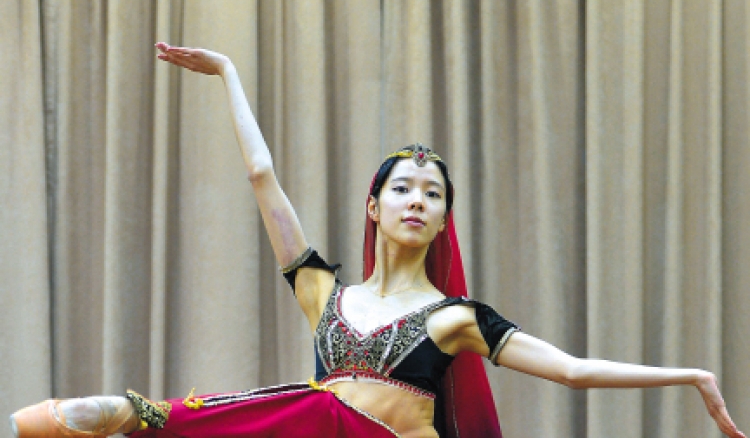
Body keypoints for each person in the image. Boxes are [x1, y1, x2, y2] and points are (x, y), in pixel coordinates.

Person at [10, 44, 745, 438]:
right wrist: (229, 73)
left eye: (433, 194)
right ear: (374, 204)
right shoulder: (323, 293)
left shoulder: (457, 317)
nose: (418, 200)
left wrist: (689, 377)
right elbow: (262, 175)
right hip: (308, 431)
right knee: (99, 415)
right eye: (403, 188)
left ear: (443, 216)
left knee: (323, 409)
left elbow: (575, 370)